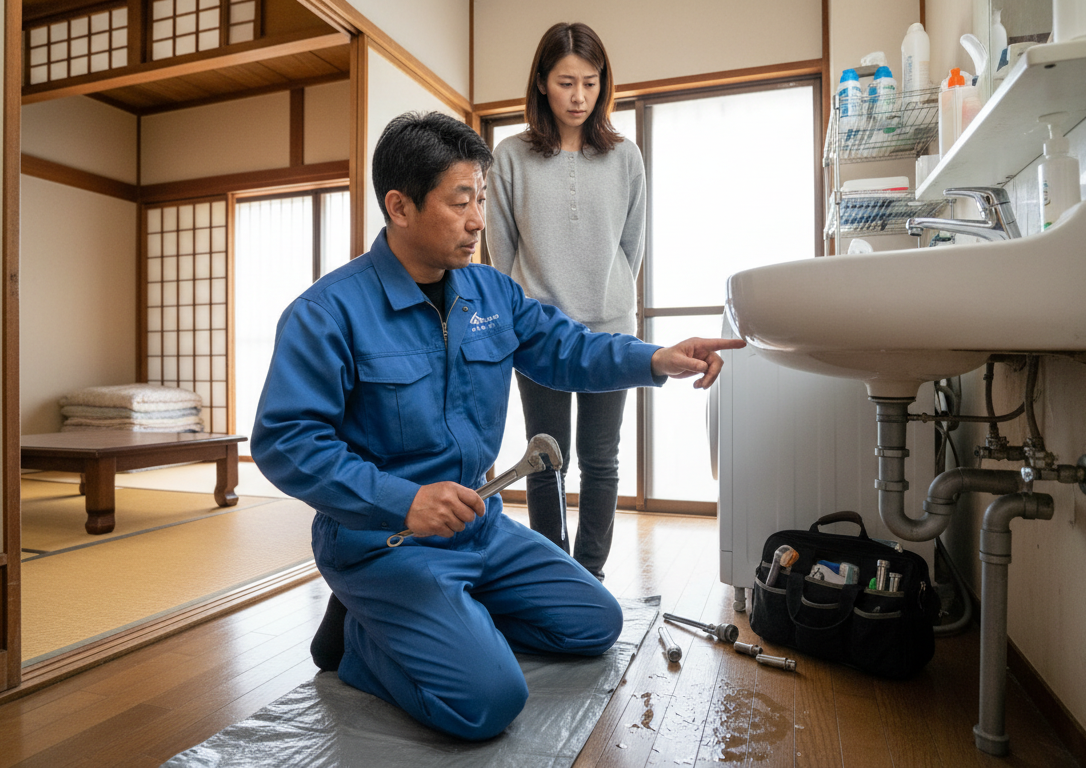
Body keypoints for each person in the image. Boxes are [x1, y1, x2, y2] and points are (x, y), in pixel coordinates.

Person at [251, 111, 743, 741]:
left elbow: (570, 349)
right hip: (383, 543)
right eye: (461, 202)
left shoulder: (491, 294)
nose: (479, 220)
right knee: (488, 701)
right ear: (399, 207)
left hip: (477, 525)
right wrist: (404, 502)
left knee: (595, 622)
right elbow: (285, 442)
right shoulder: (327, 312)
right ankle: (358, 645)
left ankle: (436, 623)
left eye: (480, 199)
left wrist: (656, 358)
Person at [486, 22, 644, 581]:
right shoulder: (508, 157)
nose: (579, 96)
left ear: (604, 85)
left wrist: (611, 301)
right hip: (538, 334)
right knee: (547, 458)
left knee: (602, 459)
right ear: (541, 83)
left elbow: (632, 247)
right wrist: (515, 325)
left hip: (610, 332)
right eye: (566, 82)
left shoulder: (626, 157)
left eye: (591, 82)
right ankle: (553, 573)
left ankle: (590, 574)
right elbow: (500, 255)